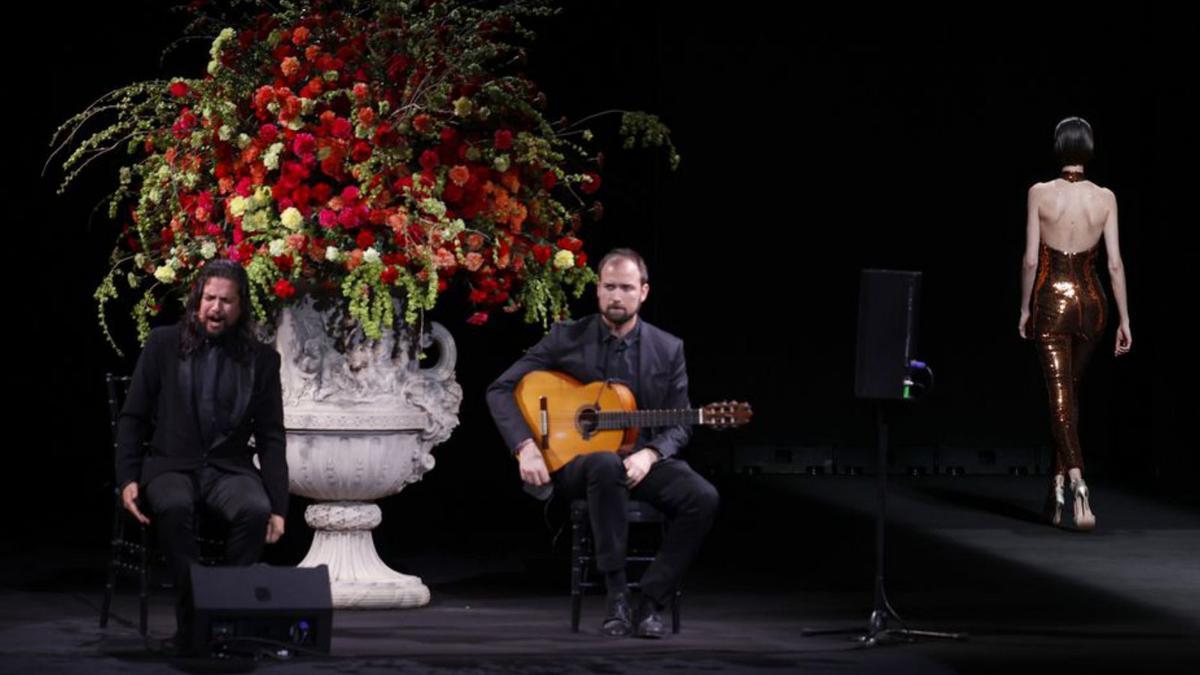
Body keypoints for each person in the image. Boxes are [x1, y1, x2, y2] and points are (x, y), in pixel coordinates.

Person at [486, 248, 718, 638]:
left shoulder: (667, 348)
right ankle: (616, 597)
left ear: (643, 292)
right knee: (604, 464)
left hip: (641, 461)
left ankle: (649, 600)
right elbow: (500, 388)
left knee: (703, 497)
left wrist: (651, 453)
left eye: (626, 288)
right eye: (609, 287)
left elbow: (680, 424)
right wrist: (525, 446)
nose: (617, 296)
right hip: (579, 464)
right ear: (597, 291)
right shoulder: (567, 337)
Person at [115, 259, 288, 649]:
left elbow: (271, 437)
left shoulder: (261, 361)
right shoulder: (162, 344)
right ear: (196, 301)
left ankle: (225, 613)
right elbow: (133, 417)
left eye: (226, 301)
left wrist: (279, 505)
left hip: (228, 470)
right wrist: (127, 478)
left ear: (240, 306)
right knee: (174, 506)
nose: (216, 308)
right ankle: (195, 620)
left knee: (254, 509)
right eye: (209, 298)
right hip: (171, 465)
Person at [1018, 117, 1131, 531]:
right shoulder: (1105, 198)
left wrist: (1025, 309)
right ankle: (1054, 492)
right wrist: (1125, 318)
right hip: (1093, 303)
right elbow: (1114, 263)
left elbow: (1032, 258)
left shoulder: (1039, 193)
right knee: (1069, 396)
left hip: (1052, 301)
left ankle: (1078, 484)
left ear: (1058, 146)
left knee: (1059, 397)